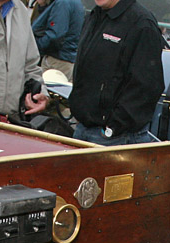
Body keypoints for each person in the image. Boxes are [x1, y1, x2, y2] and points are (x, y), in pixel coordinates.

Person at [69, 0, 163, 145]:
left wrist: (113, 127)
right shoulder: (94, 16)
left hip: (115, 137)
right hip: (83, 129)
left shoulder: (142, 23)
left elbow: (148, 85)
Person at [31, 0, 83, 83]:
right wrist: (43, 5)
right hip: (64, 58)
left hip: (57, 61)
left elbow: (55, 36)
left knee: (49, 93)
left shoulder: (63, 3)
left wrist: (35, 46)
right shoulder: (69, 3)